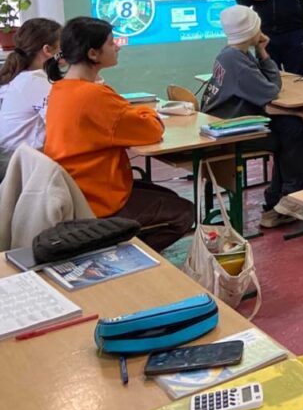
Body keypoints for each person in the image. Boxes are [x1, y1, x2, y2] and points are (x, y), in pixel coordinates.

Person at [43, 17, 193, 252]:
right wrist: (146, 111)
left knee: (167, 196)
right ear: (93, 54)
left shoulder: (61, 88)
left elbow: (120, 115)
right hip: (97, 199)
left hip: (78, 188)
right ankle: (115, 254)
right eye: (112, 43)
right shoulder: (93, 96)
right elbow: (152, 130)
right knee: (184, 212)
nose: (118, 47)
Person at [201, 5, 303, 228]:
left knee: (288, 124)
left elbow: (266, 85)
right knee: (291, 130)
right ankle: (290, 197)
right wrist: (264, 53)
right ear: (251, 31)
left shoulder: (230, 54)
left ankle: (279, 200)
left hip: (224, 125)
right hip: (230, 134)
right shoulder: (238, 61)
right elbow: (272, 90)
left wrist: (260, 51)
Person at [0, 18, 61, 156]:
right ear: (47, 50)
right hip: (22, 160)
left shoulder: (21, 77)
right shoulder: (35, 81)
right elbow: (59, 125)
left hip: (15, 156)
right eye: (62, 45)